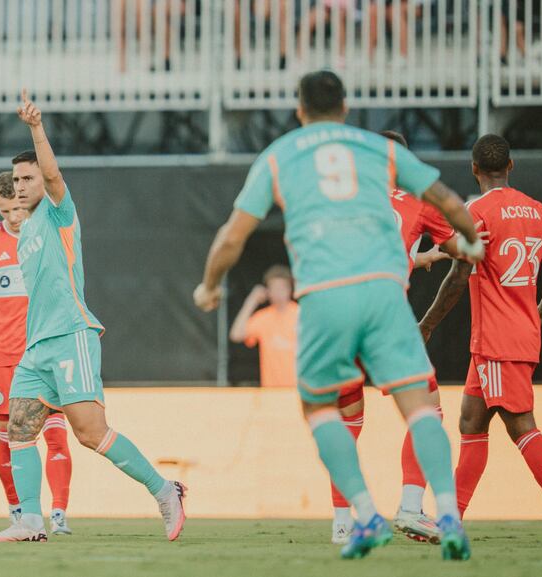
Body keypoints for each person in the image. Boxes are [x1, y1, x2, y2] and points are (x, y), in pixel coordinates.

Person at [194, 70, 483, 560]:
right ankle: (448, 514)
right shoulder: (381, 151)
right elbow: (449, 202)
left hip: (325, 296)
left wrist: (211, 285)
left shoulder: (281, 155)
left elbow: (232, 235)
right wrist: (472, 243)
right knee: (421, 406)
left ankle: (364, 515)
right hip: (385, 293)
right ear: (346, 108)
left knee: (322, 408)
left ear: (300, 111)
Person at [0, 90, 186, 543]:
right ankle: (31, 521)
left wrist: (36, 128)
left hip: (72, 333)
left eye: (27, 177)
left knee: (90, 434)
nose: (20, 185)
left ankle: (165, 490)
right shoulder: (24, 231)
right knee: (19, 427)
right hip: (37, 346)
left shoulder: (59, 211)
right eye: (15, 179)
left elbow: (53, 174)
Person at [418, 134, 542, 543]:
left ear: (473, 168)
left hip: (497, 339)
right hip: (510, 335)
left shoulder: (476, 212)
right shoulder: (539, 212)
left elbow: (457, 277)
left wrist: (428, 323)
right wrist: (536, 313)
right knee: (471, 420)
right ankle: (450, 519)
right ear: (511, 166)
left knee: (521, 426)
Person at [330, 130, 458, 546]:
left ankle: (342, 525)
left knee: (347, 421)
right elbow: (462, 244)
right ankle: (409, 507)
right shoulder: (419, 200)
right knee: (428, 412)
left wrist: (415, 259)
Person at [0, 171, 73, 537]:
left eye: (16, 208)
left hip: (45, 350)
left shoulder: (47, 233)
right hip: (4, 357)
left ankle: (58, 514)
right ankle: (18, 513)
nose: (12, 216)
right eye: (3, 210)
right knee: (8, 436)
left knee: (56, 434)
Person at [229, 265, 298, 388]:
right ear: (268, 291)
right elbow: (236, 334)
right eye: (274, 288)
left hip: (297, 390)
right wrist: (252, 301)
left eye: (282, 288)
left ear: (290, 289)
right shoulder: (263, 318)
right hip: (270, 392)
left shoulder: (301, 315)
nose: (278, 293)